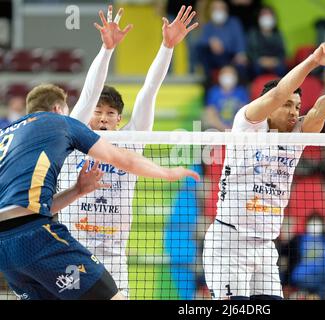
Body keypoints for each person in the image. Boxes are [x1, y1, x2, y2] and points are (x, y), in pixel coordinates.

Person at [202, 42, 325, 300]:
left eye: (297, 106)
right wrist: (314, 60)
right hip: (229, 241)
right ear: (269, 106)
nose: (294, 112)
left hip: (265, 247)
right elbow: (280, 92)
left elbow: (317, 113)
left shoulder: (295, 136)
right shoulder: (247, 123)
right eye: (288, 105)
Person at [0, 83, 199, 300]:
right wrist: (168, 173)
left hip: (5, 248)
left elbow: (33, 205)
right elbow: (121, 158)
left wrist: (77, 190)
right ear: (58, 110)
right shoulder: (59, 123)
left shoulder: (7, 134)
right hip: (35, 236)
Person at [57, 5, 198, 297]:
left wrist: (166, 47)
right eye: (98, 111)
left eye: (111, 113)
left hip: (113, 256)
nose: (104, 118)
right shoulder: (73, 138)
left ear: (119, 120)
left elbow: (149, 91)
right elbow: (88, 92)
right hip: (73, 250)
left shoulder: (130, 142)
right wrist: (107, 51)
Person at [196, 0, 247, 83]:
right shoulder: (208, 26)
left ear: (226, 11)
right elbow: (200, 43)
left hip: (231, 58)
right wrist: (210, 42)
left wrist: (240, 53)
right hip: (215, 60)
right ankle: (210, 88)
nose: (218, 11)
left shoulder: (234, 23)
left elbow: (240, 42)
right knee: (202, 50)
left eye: (221, 8)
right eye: (215, 9)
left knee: (242, 64)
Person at [203, 65, 249, 131]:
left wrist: (233, 128)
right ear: (220, 76)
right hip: (217, 129)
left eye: (231, 74)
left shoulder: (241, 92)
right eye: (225, 74)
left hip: (237, 129)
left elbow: (243, 113)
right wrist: (223, 128)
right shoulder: (213, 92)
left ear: (236, 77)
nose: (228, 76)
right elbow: (210, 112)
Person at [247, 5, 287, 78]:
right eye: (264, 14)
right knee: (255, 68)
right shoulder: (253, 33)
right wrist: (261, 61)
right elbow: (251, 53)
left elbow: (283, 53)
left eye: (269, 14)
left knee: (282, 68)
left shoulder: (278, 34)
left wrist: (274, 61)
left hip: (275, 62)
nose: (266, 17)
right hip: (259, 63)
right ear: (258, 18)